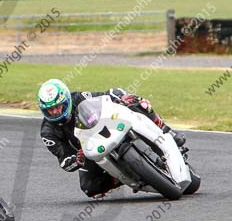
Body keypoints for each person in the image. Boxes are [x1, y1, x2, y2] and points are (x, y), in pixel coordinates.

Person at [38, 79, 186, 198]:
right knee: (89, 188)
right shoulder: (47, 133)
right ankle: (121, 178)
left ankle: (167, 130)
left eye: (58, 107)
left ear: (67, 100)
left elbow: (103, 97)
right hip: (89, 152)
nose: (55, 112)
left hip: (106, 127)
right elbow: (63, 161)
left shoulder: (79, 97)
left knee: (138, 103)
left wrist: (119, 96)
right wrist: (77, 159)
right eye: (50, 110)